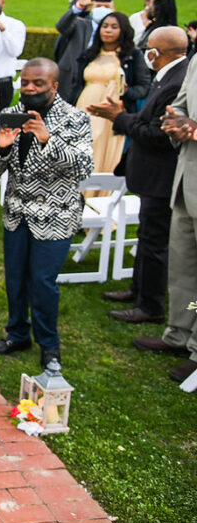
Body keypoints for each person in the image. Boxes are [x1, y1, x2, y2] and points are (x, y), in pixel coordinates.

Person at [0, 59, 93, 368]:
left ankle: (49, 345)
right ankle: (17, 334)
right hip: (17, 213)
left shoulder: (75, 119)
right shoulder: (13, 115)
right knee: (16, 278)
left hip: (55, 216)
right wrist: (2, 147)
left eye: (38, 83)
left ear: (54, 86)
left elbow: (83, 167)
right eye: (26, 82)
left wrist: (47, 140)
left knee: (43, 282)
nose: (30, 88)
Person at [90, 27, 189, 324]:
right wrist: (122, 115)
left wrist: (119, 118)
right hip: (150, 174)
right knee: (145, 237)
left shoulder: (177, 80)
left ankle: (152, 305)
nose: (145, 51)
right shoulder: (170, 75)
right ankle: (138, 289)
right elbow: (146, 120)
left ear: (158, 52)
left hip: (162, 175)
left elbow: (159, 135)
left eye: (149, 47)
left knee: (155, 242)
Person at [136, 27, 197, 384]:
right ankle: (179, 332)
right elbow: (184, 104)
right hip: (185, 181)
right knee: (184, 267)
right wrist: (176, 122)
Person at [76, 11, 149, 173]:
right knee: (85, 146)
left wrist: (127, 91)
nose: (107, 30)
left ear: (123, 30)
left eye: (114, 27)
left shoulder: (133, 56)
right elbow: (76, 83)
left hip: (112, 111)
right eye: (105, 26)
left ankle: (100, 192)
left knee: (102, 148)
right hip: (85, 106)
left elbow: (143, 86)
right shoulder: (89, 54)